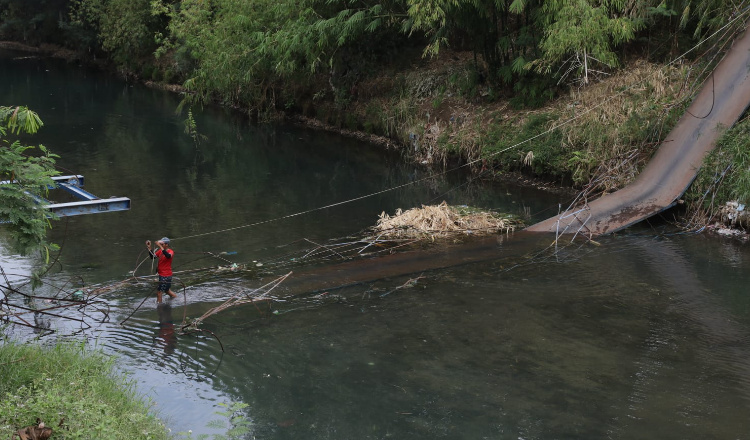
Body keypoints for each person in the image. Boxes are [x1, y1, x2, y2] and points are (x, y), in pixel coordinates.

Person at [146, 237, 178, 303]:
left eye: (162, 244)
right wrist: (149, 248)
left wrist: (160, 247)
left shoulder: (170, 251)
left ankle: (159, 306)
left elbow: (168, 256)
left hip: (166, 275)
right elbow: (153, 257)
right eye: (161, 244)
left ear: (166, 244)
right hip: (161, 274)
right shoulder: (160, 251)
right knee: (167, 290)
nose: (161, 245)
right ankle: (177, 299)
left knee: (159, 292)